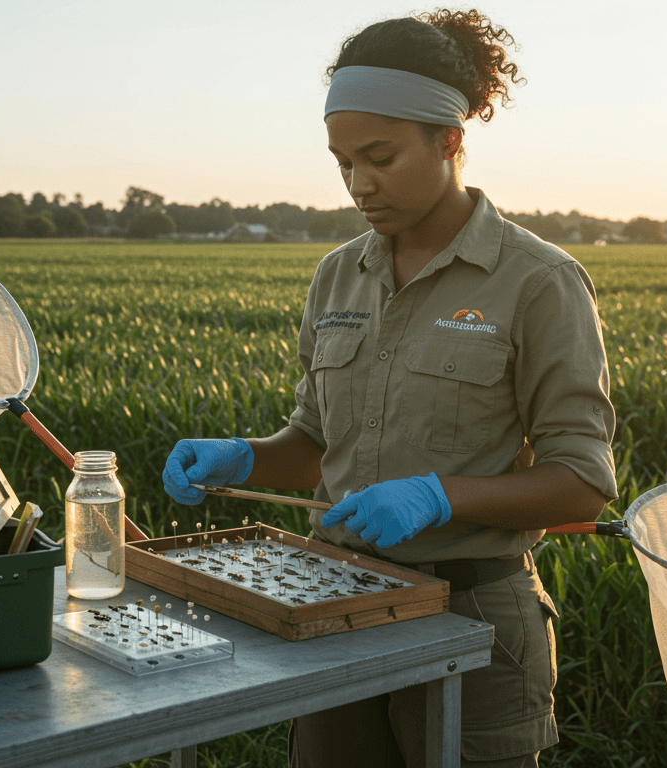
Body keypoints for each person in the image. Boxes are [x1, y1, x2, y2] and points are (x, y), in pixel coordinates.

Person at [161, 8, 617, 767]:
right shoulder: (340, 273)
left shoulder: (538, 281)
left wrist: (439, 496)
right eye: (343, 162)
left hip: (471, 616)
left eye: (379, 157)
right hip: (331, 605)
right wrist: (243, 458)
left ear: (449, 140)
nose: (358, 184)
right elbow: (313, 444)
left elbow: (581, 484)